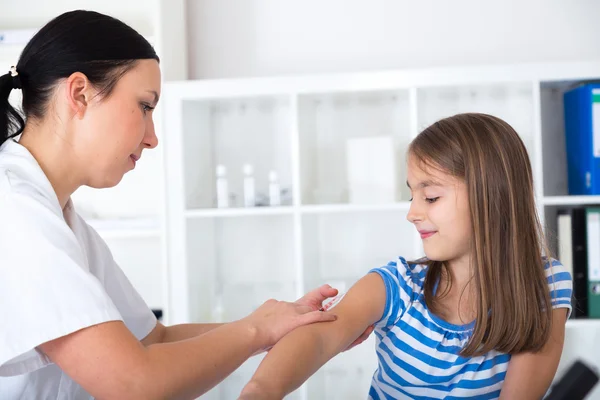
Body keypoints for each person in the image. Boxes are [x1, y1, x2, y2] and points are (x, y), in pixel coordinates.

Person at [0, 10, 371, 400]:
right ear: (79, 93)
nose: (152, 138)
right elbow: (133, 384)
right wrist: (258, 329)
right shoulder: (16, 212)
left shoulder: (57, 216)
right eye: (145, 106)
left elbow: (153, 340)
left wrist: (282, 325)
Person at [239, 113, 573, 400]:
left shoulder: (545, 283)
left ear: (491, 195)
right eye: (412, 195)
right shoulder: (395, 286)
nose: (412, 213)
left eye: (430, 197)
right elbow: (318, 339)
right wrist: (261, 390)